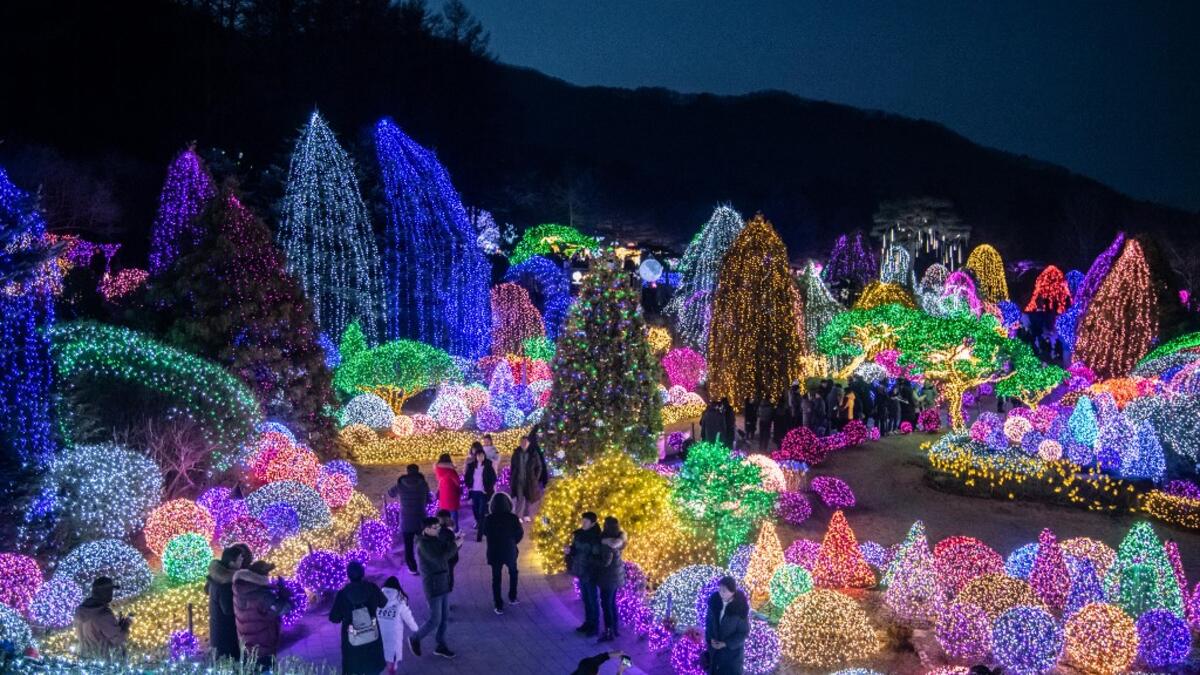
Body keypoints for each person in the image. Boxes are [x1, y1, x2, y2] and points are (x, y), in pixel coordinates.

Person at [409, 517, 460, 659]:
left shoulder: (434, 539)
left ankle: (440, 645)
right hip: (433, 584)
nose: (438, 529)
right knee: (435, 619)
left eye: (439, 526)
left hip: (442, 580)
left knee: (444, 617)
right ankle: (415, 638)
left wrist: (456, 543)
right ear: (426, 529)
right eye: (435, 527)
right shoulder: (423, 544)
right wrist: (455, 546)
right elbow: (440, 558)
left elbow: (445, 551)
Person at [329, 560, 388, 675]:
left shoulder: (343, 594)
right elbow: (383, 602)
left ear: (348, 575)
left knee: (354, 667)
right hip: (372, 635)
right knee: (373, 668)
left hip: (352, 641)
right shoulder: (372, 588)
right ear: (363, 573)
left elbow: (334, 618)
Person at [233, 560, 291, 670]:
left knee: (253, 668)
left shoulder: (240, 589)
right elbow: (284, 608)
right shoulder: (263, 595)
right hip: (263, 645)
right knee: (266, 669)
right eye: (267, 574)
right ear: (261, 577)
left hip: (246, 642)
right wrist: (283, 594)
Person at [482, 491, 524, 614]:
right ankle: (512, 596)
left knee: (496, 578)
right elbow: (519, 534)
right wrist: (513, 542)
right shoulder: (513, 518)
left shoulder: (489, 519)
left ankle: (498, 604)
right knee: (513, 572)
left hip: (494, 551)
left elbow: (485, 532)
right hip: (509, 549)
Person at [387, 464, 430, 575]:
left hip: (406, 519)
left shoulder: (401, 484)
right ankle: (426, 565)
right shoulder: (423, 484)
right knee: (424, 543)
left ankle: (412, 568)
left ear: (407, 471)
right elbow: (429, 499)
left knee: (408, 545)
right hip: (421, 518)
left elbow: (390, 493)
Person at [74, 576, 130, 660]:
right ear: (105, 593)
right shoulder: (103, 614)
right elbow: (118, 639)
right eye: (110, 591)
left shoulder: (81, 610)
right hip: (100, 660)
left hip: (82, 657)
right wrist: (126, 624)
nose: (112, 594)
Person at [704, 576, 750, 675]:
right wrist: (710, 639)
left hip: (731, 657)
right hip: (714, 653)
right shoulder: (714, 602)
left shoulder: (740, 608)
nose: (721, 593)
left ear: (732, 591)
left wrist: (726, 643)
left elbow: (743, 632)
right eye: (720, 589)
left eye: (724, 591)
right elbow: (709, 623)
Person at [205, 546, 245, 660]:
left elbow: (206, 589)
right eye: (240, 559)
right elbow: (228, 609)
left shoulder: (217, 577)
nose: (242, 561)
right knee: (229, 663)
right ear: (232, 563)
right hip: (226, 633)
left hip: (217, 629)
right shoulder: (225, 584)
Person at [568, 511, 602, 637]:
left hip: (590, 573)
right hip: (581, 571)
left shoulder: (595, 537)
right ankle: (587, 622)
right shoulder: (579, 534)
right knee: (586, 600)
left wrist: (587, 561)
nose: (583, 523)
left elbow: (597, 557)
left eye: (586, 521)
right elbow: (575, 549)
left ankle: (594, 626)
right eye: (582, 520)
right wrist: (570, 550)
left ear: (593, 523)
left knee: (592, 600)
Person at [377, 576, 419, 675]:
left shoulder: (377, 598)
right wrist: (416, 629)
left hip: (379, 636)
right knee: (392, 659)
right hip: (393, 637)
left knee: (382, 655)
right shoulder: (400, 601)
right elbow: (408, 618)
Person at [596, 516, 627, 642]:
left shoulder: (607, 543)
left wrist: (594, 561)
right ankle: (615, 629)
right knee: (612, 603)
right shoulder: (619, 539)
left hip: (607, 579)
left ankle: (609, 632)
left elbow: (605, 562)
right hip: (616, 577)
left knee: (606, 605)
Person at [465, 445, 497, 541]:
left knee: (481, 512)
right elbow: (467, 478)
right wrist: (469, 487)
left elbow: (493, 478)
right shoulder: (471, 466)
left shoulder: (488, 465)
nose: (480, 457)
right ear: (476, 456)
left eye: (482, 455)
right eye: (478, 456)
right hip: (474, 492)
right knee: (475, 511)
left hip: (483, 493)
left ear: (484, 456)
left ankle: (479, 535)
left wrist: (488, 488)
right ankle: (482, 526)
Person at [510, 436, 544, 521]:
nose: (524, 443)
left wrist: (536, 477)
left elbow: (539, 466)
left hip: (530, 480)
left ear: (528, 443)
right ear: (520, 443)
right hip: (519, 480)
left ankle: (526, 515)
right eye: (522, 442)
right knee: (519, 498)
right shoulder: (516, 452)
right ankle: (517, 516)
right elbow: (513, 466)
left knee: (529, 498)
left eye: (525, 442)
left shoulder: (533, 453)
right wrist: (512, 477)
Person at [434, 453, 462, 528]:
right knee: (453, 513)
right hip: (452, 493)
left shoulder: (437, 469)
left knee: (444, 513)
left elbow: (438, 479)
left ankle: (444, 528)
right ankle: (455, 530)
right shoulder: (451, 470)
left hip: (443, 491)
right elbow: (457, 482)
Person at [436, 509, 460, 593]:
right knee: (449, 575)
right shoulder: (447, 532)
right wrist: (458, 542)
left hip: (441, 558)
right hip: (450, 558)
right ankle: (448, 589)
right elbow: (453, 546)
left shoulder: (437, 530)